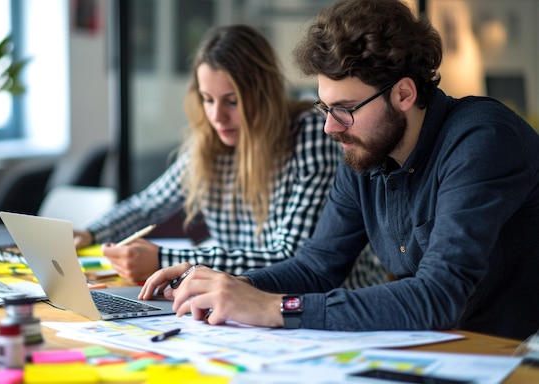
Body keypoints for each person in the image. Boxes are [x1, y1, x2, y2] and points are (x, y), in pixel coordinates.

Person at [139, 0, 539, 341]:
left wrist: (274, 306)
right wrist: (238, 286)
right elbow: (317, 266)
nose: (331, 127)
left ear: (403, 93)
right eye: (325, 108)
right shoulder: (365, 150)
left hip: (514, 358)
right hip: (446, 349)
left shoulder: (481, 140)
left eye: (345, 109)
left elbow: (437, 296)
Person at [74, 25, 387, 289]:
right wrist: (90, 233)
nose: (216, 116)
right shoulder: (210, 144)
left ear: (262, 95)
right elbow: (147, 205)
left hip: (334, 302)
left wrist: (163, 261)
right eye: (207, 99)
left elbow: (293, 259)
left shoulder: (310, 136)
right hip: (245, 303)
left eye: (231, 101)